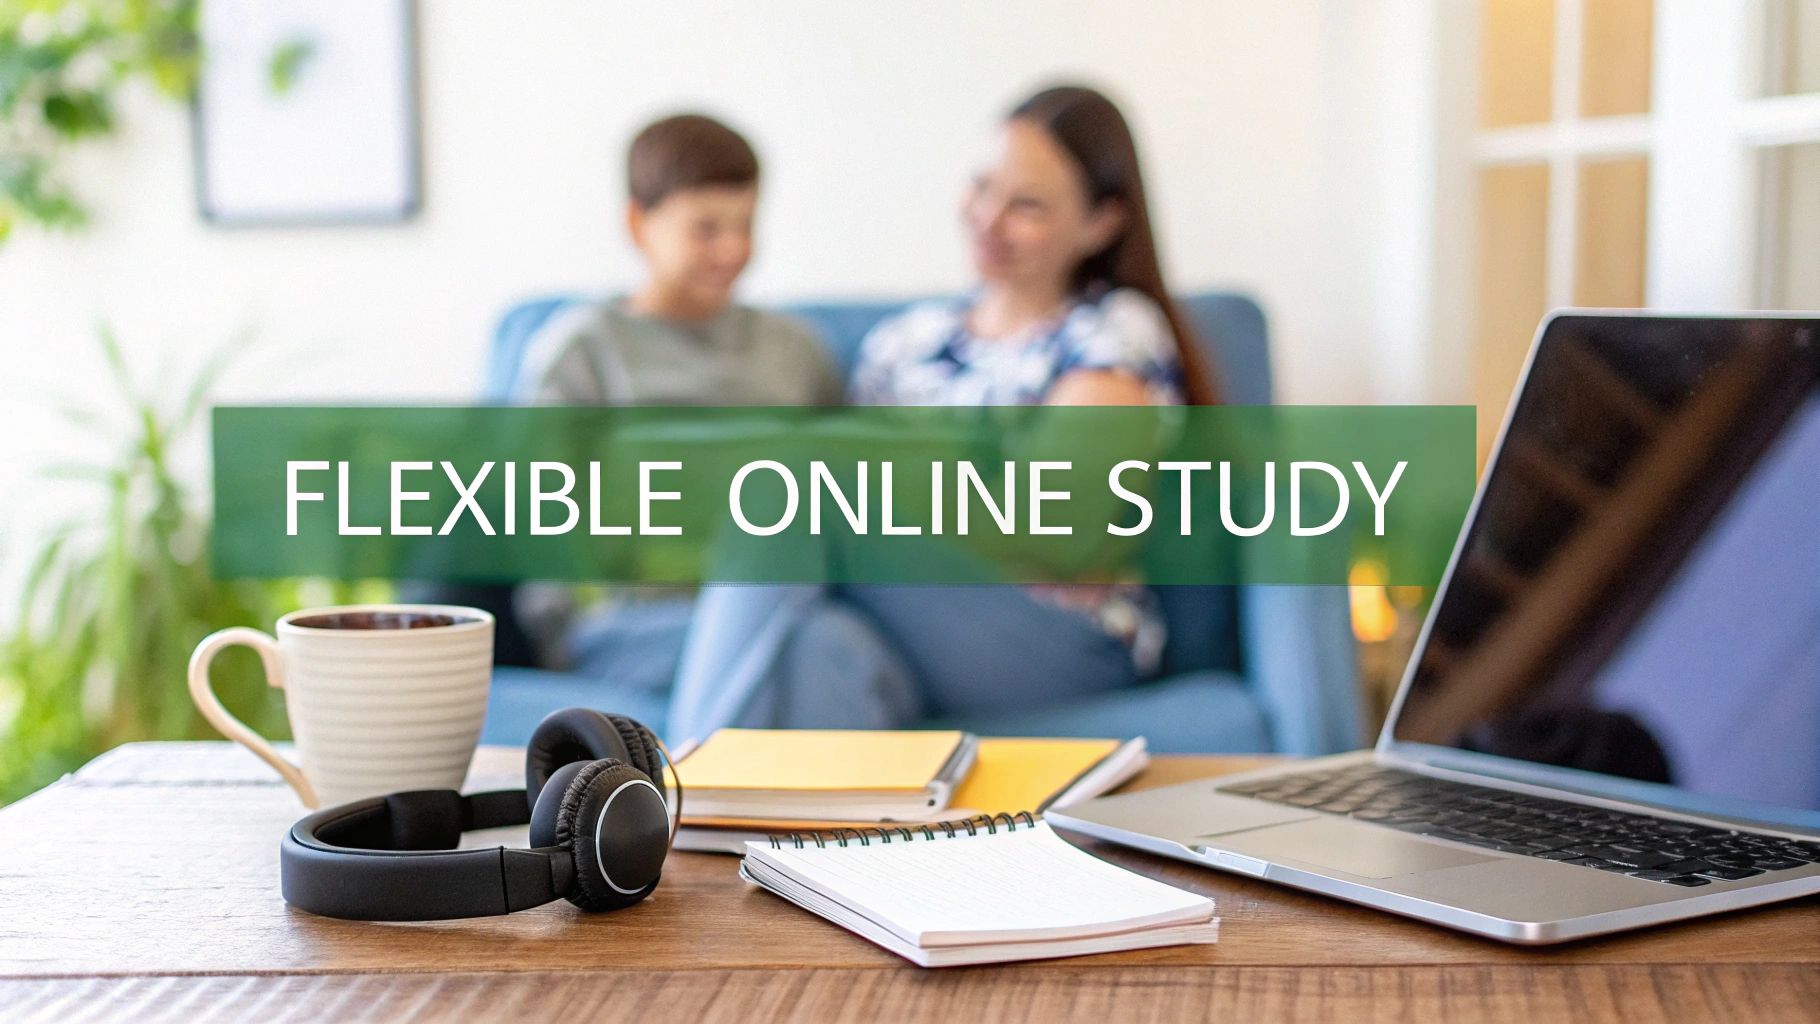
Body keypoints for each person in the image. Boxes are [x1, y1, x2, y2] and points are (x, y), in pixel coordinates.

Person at [668, 84, 1220, 742]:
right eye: (982, 187)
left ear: (1102, 222)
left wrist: (884, 482)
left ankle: (676, 784)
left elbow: (1059, 534)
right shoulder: (906, 341)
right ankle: (781, 810)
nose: (988, 218)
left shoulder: (1112, 332)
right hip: (912, 638)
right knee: (821, 646)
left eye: (1026, 205)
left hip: (1057, 640)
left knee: (790, 479)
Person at [521, 112, 842, 405]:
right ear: (638, 225)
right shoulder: (585, 350)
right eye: (706, 229)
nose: (732, 249)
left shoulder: (797, 349)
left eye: (746, 225)